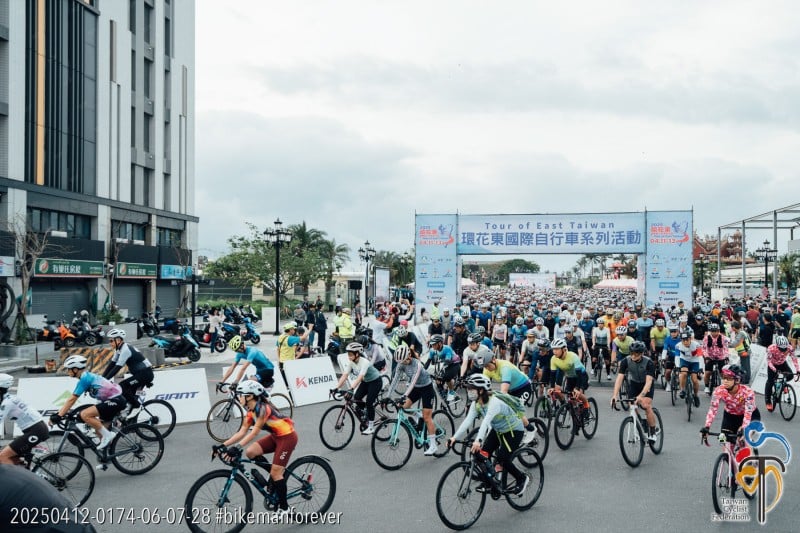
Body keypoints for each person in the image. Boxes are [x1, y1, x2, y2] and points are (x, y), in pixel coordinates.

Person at [216, 381, 296, 515]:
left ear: (249, 396)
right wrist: (223, 445)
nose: (238, 397)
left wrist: (236, 448)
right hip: (276, 437)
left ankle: (284, 508)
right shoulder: (250, 412)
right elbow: (241, 432)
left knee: (276, 474)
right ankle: (275, 475)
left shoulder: (263, 409)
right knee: (251, 452)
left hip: (287, 437)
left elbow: (254, 433)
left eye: (240, 395)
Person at [447, 374, 531, 497]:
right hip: (498, 430)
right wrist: (454, 437)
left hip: (513, 431)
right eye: (468, 388)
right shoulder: (476, 403)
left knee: (503, 458)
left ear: (481, 390)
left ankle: (522, 478)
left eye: (471, 389)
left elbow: (486, 422)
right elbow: (467, 421)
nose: (468, 391)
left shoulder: (494, 402)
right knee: (482, 454)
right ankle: (491, 482)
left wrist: (478, 441)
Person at [50, 355, 126, 450]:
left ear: (76, 369)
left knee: (85, 414)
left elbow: (72, 399)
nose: (67, 371)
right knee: (99, 432)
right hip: (112, 401)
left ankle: (108, 435)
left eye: (69, 369)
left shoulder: (85, 378)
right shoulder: (86, 376)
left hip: (116, 400)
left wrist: (59, 415)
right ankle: (107, 460)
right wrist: (61, 412)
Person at [389, 345, 439, 455]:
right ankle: (418, 416)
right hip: (416, 388)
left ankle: (433, 446)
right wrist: (388, 396)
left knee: (427, 417)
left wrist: (404, 395)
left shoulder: (417, 364)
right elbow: (395, 380)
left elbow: (412, 382)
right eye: (399, 361)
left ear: (409, 356)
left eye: (403, 361)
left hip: (426, 388)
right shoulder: (401, 364)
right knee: (403, 406)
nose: (401, 363)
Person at [332, 342, 384, 434]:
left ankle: (371, 427)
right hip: (366, 381)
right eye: (348, 354)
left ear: (357, 354)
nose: (349, 357)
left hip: (376, 381)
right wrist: (336, 388)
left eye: (351, 354)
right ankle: (367, 413)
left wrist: (351, 389)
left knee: (369, 402)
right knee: (356, 398)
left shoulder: (364, 362)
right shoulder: (351, 362)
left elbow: (359, 378)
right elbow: (344, 375)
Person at [612, 341, 659, 442]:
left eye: (636, 353)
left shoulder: (649, 362)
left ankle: (653, 431)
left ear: (642, 353)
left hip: (646, 384)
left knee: (645, 405)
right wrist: (614, 395)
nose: (633, 356)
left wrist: (641, 396)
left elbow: (649, 381)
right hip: (634, 383)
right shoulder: (626, 361)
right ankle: (641, 421)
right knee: (631, 403)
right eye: (631, 353)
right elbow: (619, 378)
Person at [101, 328, 154, 416]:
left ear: (118, 340)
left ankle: (137, 406)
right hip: (139, 374)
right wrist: (102, 378)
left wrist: (105, 380)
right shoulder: (119, 349)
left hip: (145, 374)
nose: (110, 343)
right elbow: (112, 364)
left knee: (122, 386)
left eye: (111, 341)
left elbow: (117, 367)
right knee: (128, 394)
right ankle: (130, 418)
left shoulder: (125, 350)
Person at [701, 364, 760, 443]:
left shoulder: (748, 392)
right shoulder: (719, 391)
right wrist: (707, 427)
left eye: (728, 379)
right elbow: (712, 410)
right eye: (724, 378)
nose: (725, 381)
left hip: (750, 416)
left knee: (744, 439)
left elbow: (748, 413)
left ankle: (749, 451)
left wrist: (744, 428)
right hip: (730, 416)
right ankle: (727, 454)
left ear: (737, 380)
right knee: (723, 440)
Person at [0, 373, 49, 465]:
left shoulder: (7, 403)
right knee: (11, 456)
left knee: (2, 457)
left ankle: (17, 479)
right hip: (36, 428)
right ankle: (25, 471)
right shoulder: (9, 398)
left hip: (35, 431)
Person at [548, 338, 590, 414]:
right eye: (553, 349)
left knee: (577, 394)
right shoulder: (553, 359)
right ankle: (575, 410)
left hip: (581, 376)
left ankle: (586, 404)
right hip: (570, 377)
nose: (554, 352)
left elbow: (579, 373)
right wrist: (551, 387)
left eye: (557, 349)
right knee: (570, 396)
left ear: (564, 349)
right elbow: (552, 374)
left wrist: (577, 388)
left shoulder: (573, 356)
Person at [764, 335, 799, 412]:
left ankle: (783, 385)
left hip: (782, 363)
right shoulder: (771, 348)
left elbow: (794, 358)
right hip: (772, 364)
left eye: (784, 348)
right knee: (770, 382)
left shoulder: (790, 348)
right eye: (781, 349)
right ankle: (768, 400)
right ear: (777, 345)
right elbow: (769, 361)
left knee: (790, 376)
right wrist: (775, 370)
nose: (783, 350)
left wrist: (798, 370)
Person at [426, 334, 461, 400]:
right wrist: (422, 370)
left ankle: (451, 392)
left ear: (440, 343)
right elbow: (428, 362)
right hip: (446, 364)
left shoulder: (447, 348)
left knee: (446, 377)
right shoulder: (432, 350)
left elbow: (447, 361)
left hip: (454, 364)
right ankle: (444, 393)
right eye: (432, 344)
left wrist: (441, 374)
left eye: (434, 344)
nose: (432, 346)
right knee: (438, 380)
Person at [676, 331, 704, 407]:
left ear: (690, 339)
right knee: (683, 373)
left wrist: (701, 368)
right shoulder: (678, 346)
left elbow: (700, 356)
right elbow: (677, 357)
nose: (685, 342)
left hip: (694, 361)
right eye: (683, 340)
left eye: (687, 340)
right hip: (684, 360)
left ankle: (696, 395)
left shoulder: (697, 345)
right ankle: (682, 390)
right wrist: (678, 366)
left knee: (695, 380)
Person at [702, 323, 729, 395]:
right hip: (710, 357)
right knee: (707, 372)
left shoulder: (723, 338)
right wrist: (706, 356)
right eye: (713, 331)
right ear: (710, 331)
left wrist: (726, 356)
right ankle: (707, 386)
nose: (715, 333)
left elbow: (726, 348)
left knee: (723, 373)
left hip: (721, 356)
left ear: (719, 331)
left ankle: (725, 387)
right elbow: (704, 349)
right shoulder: (706, 338)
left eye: (716, 331)